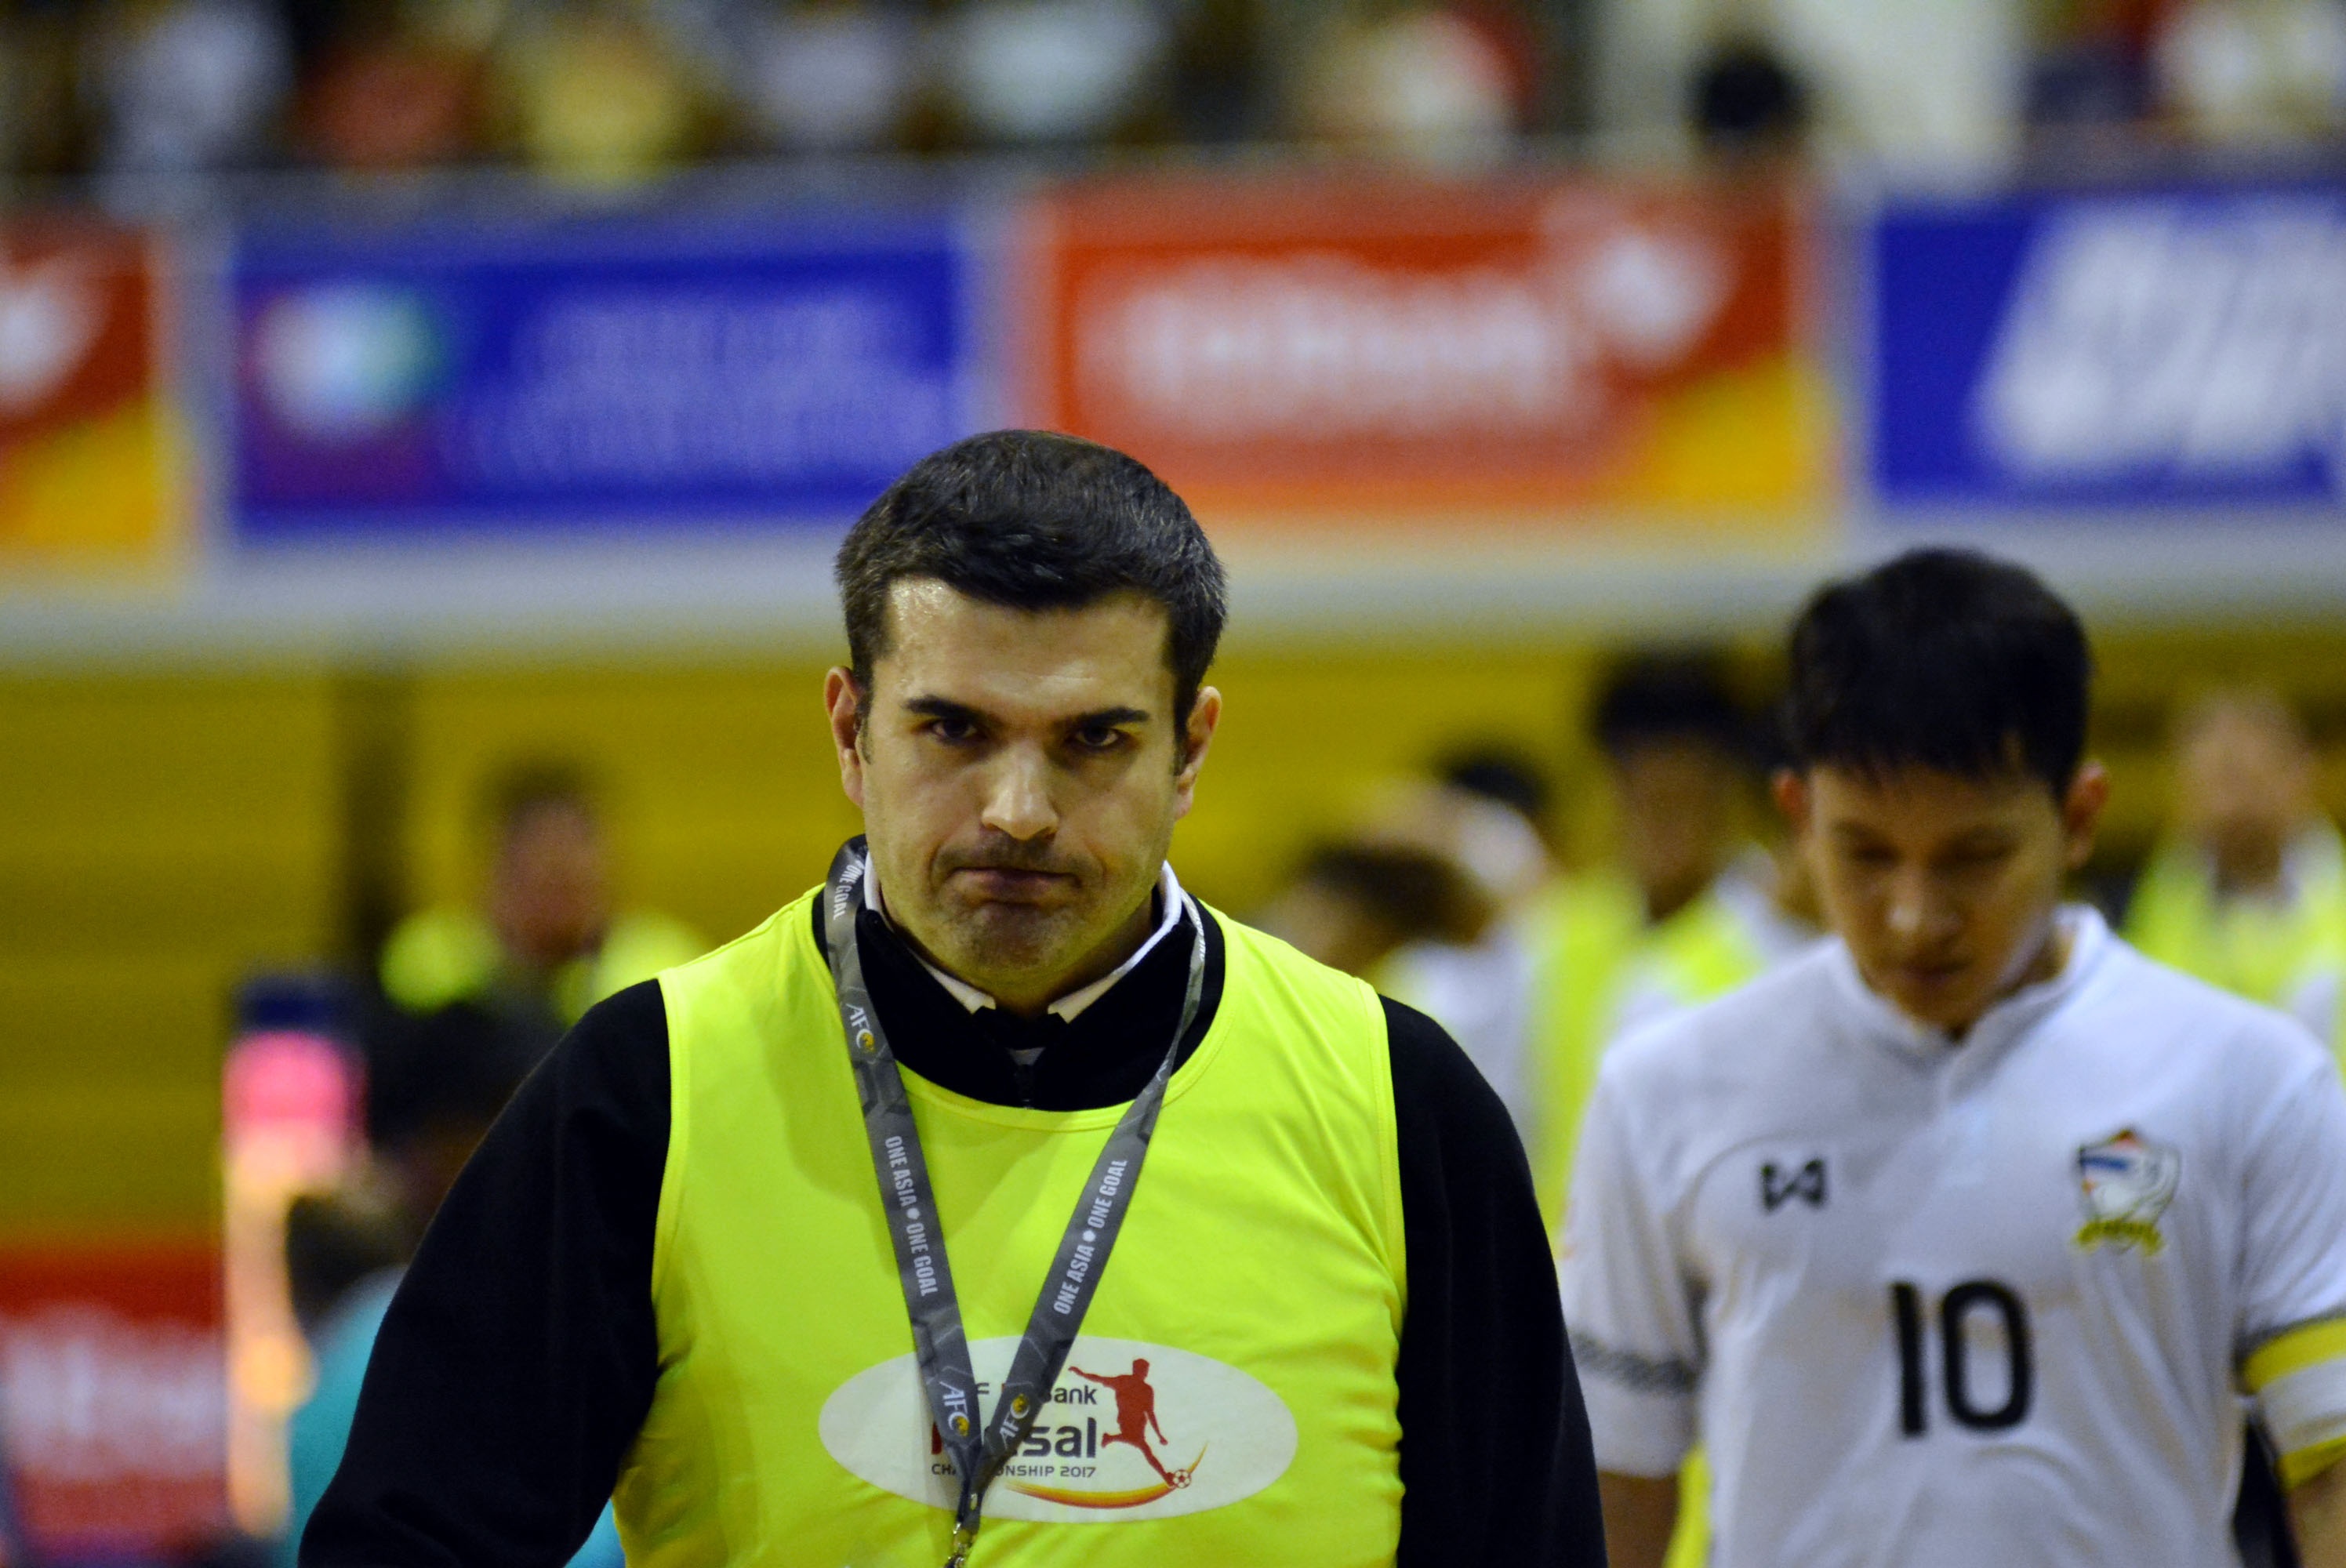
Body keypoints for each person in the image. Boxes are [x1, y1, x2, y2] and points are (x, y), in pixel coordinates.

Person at [303, 430, 1602, 1565]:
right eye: (954, 732)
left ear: (1190, 747)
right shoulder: (648, 1093)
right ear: (849, 732)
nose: (1018, 813)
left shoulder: (1396, 1103)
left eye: (1093, 739)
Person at [1562, 546, 2346, 1567]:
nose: (1915, 916)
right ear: (1799, 818)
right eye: (1866, 854)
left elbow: (2328, 1470)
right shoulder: (1664, 1087)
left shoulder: (2254, 1080)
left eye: (1974, 857)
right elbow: (1619, 1487)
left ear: (2079, 820)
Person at [376, 763, 703, 1055]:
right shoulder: (428, 962)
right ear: (492, 871)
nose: (553, 904)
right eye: (535, 879)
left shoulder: (666, 969)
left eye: (571, 884)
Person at [2126, 687, 2346, 1051]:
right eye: (2216, 783)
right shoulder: (2150, 907)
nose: (2233, 806)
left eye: (2249, 779)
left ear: (2300, 775)